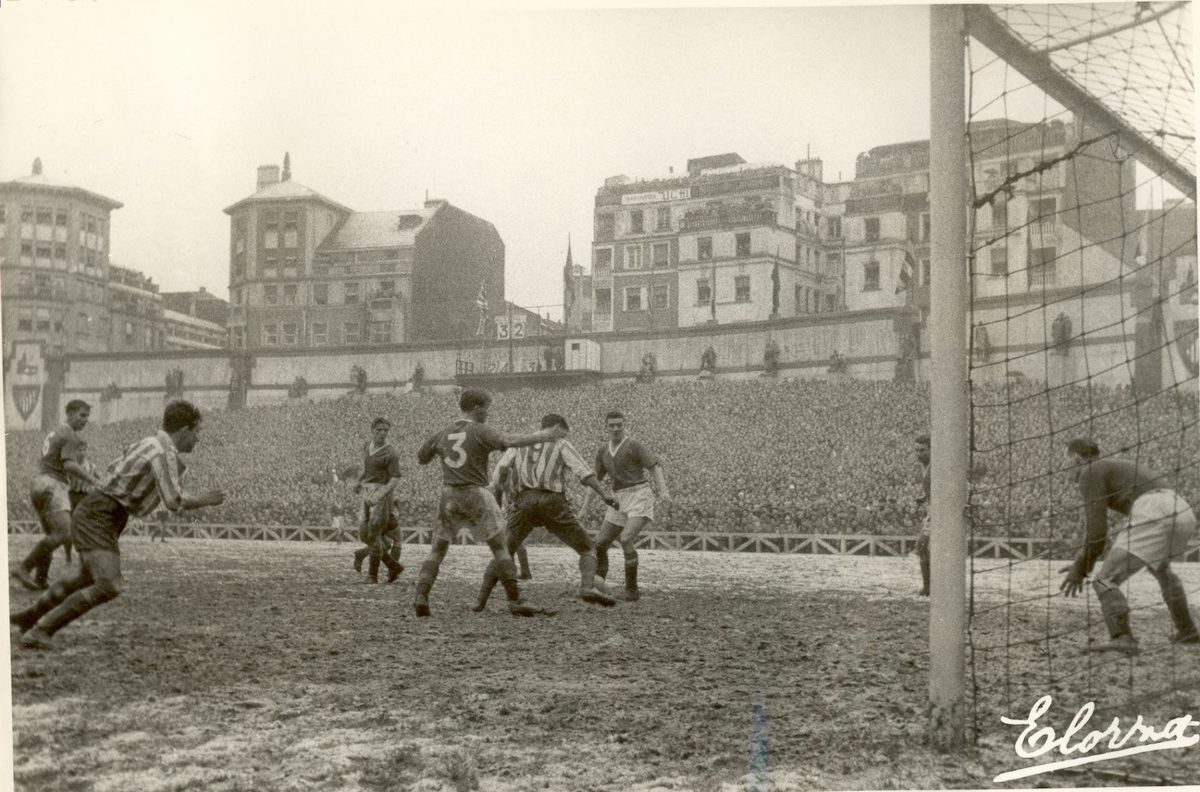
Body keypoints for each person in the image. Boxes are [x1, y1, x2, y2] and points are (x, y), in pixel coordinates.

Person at [10, 400, 226, 650]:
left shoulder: (147, 443)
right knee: (108, 585)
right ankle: (41, 630)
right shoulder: (163, 452)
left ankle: (30, 617)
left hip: (100, 511)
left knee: (84, 578)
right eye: (197, 431)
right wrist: (206, 499)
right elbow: (173, 500)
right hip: (101, 514)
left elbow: (115, 469)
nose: (198, 438)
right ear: (185, 429)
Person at [414, 388, 567, 617]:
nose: (488, 413)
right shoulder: (479, 429)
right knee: (500, 547)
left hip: (449, 494)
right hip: (475, 492)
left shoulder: (443, 431)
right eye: (486, 408)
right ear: (477, 408)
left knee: (437, 550)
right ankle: (515, 600)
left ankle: (421, 595)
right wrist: (544, 436)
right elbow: (508, 440)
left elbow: (421, 457)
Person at [1059, 438, 1199, 654]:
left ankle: (1122, 637)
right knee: (1161, 570)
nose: (1065, 469)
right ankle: (1187, 630)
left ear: (1076, 459)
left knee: (1104, 580)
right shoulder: (1113, 466)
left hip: (1153, 510)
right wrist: (1083, 563)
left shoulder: (1089, 472)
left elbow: (1097, 534)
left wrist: (1081, 568)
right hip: (1183, 511)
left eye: (1066, 462)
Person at [474, 414, 621, 611]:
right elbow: (584, 473)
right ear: (556, 428)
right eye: (563, 432)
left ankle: (480, 600)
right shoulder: (560, 443)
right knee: (587, 548)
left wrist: (503, 501)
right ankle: (587, 587)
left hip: (524, 501)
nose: (563, 436)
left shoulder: (520, 444)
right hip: (552, 502)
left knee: (504, 552)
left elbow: (499, 473)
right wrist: (604, 495)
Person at [13, 400, 102, 591]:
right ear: (69, 413)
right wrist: (93, 480)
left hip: (39, 483)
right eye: (82, 415)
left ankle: (41, 578)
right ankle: (24, 568)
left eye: (87, 416)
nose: (85, 420)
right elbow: (69, 464)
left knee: (51, 535)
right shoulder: (70, 435)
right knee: (64, 533)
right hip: (54, 485)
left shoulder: (55, 432)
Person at [582, 410, 670, 601]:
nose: (616, 428)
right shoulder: (603, 451)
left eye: (619, 425)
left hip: (639, 494)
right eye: (612, 425)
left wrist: (663, 491)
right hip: (618, 498)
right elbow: (594, 481)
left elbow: (654, 468)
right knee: (599, 544)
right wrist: (584, 508)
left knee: (626, 538)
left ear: (624, 425)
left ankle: (632, 590)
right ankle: (599, 586)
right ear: (606, 427)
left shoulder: (633, 445)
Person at [351, 418, 405, 584]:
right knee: (364, 533)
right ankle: (392, 566)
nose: (382, 433)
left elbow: (395, 479)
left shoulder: (391, 453)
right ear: (372, 430)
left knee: (374, 532)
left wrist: (380, 495)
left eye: (385, 430)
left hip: (382, 494)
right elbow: (367, 468)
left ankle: (372, 575)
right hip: (368, 491)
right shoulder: (367, 446)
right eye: (379, 430)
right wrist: (358, 481)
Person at [914, 434, 931, 597]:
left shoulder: (937, 467)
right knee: (923, 547)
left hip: (940, 512)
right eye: (917, 450)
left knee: (922, 545)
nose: (919, 454)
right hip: (933, 510)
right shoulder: (924, 466)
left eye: (923, 450)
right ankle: (929, 586)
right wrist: (925, 497)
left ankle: (928, 587)